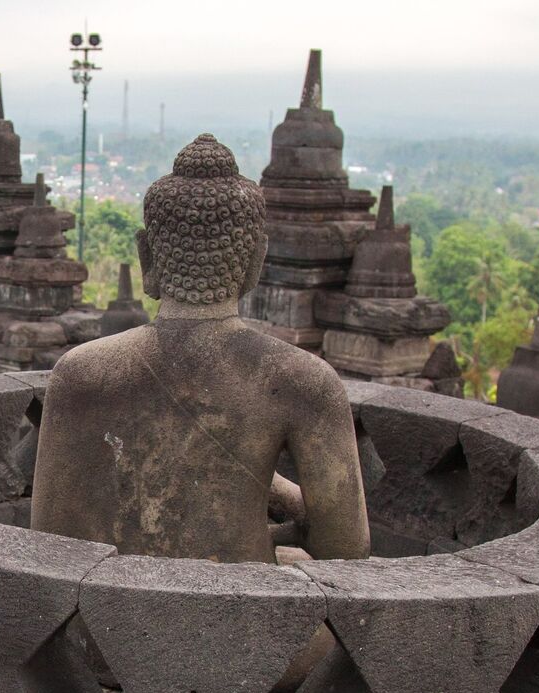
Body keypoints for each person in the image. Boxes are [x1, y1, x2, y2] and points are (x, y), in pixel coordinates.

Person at [31, 133, 368, 564]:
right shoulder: (305, 382)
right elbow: (344, 551)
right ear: (255, 262)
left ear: (147, 257)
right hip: (247, 620)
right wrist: (282, 494)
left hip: (108, 620)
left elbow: (49, 542)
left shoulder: (80, 373)